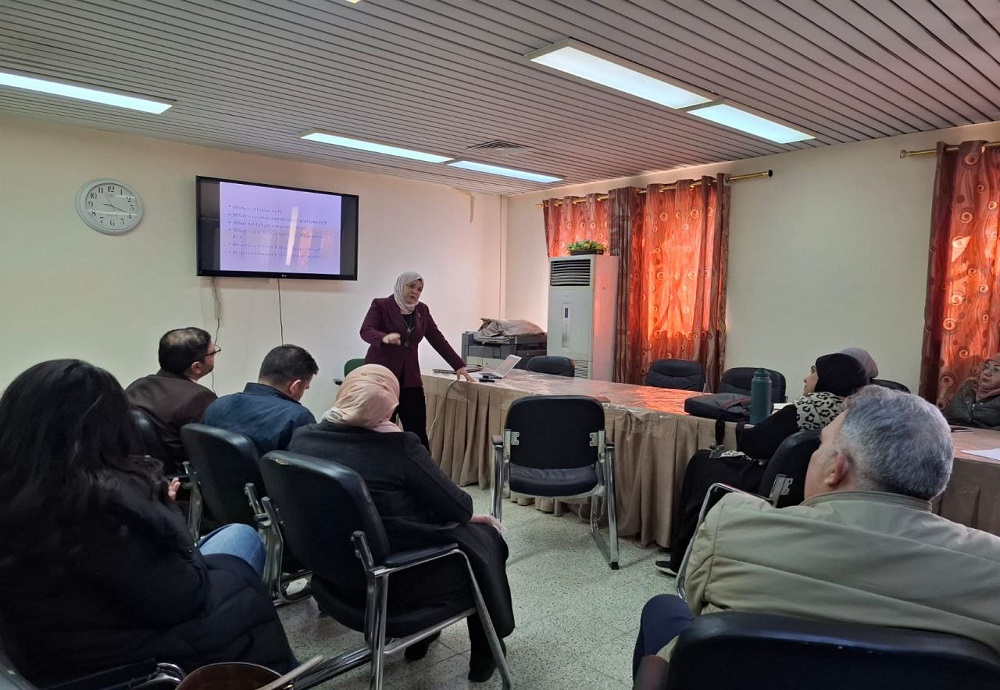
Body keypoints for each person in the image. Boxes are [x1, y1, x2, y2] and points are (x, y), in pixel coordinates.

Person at [635, 386, 1000, 677]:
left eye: (822, 444)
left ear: (835, 468)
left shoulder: (734, 523)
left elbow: (700, 614)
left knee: (665, 608)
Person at [0, 360, 296, 685]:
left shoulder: (24, 489)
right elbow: (182, 598)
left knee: (238, 537)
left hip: (61, 641)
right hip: (125, 654)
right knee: (241, 567)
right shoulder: (94, 507)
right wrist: (163, 513)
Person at [287, 364, 514, 682]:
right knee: (485, 541)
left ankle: (425, 638)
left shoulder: (303, 438)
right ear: (390, 407)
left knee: (471, 539)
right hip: (394, 580)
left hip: (331, 575)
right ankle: (486, 651)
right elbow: (459, 507)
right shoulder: (398, 447)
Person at [658, 352, 868, 574]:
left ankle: (682, 557)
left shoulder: (808, 407)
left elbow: (752, 445)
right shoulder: (855, 411)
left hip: (774, 483)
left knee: (703, 461)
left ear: (829, 377)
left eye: (813, 371)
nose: (807, 378)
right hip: (808, 486)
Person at [360, 271, 473, 449]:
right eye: (411, 286)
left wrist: (458, 365)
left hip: (410, 380)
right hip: (382, 378)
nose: (415, 292)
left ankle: (420, 471)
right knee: (378, 429)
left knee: (417, 430)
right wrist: (383, 337)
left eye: (419, 289)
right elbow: (366, 330)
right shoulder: (381, 305)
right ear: (401, 285)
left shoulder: (422, 310)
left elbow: (437, 339)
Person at [126, 327, 220, 473]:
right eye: (213, 353)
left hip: (142, 475)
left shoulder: (137, 385)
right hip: (181, 480)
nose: (215, 355)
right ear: (196, 367)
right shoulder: (199, 398)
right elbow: (213, 449)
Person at [202, 344, 319, 455]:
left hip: (211, 476)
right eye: (305, 388)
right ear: (295, 386)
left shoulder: (218, 404)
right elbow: (306, 471)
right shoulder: (298, 418)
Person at [943, 354, 1000, 429]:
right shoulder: (968, 385)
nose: (987, 373)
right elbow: (948, 416)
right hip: (956, 436)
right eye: (986, 367)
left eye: (996, 370)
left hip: (985, 439)